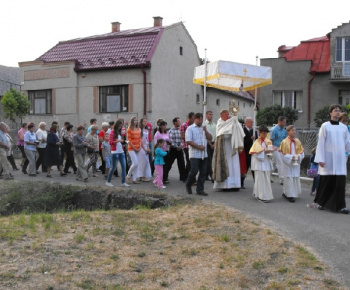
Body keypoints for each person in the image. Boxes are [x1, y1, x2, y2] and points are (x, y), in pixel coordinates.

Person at [314, 104, 350, 214]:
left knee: (339, 183)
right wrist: (320, 158)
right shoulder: (325, 126)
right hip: (328, 158)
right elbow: (320, 143)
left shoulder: (343, 127)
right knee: (327, 181)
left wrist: (347, 153)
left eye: (339, 110)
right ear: (330, 113)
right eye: (335, 110)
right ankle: (322, 203)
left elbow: (347, 142)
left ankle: (340, 206)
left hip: (339, 158)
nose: (337, 112)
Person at [213, 109, 245, 191]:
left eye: (228, 114)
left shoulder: (231, 122)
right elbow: (223, 134)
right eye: (226, 115)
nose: (228, 116)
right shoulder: (220, 123)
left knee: (234, 165)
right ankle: (225, 185)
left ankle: (235, 184)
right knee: (227, 165)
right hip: (224, 148)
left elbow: (238, 129)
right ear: (221, 115)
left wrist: (235, 124)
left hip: (233, 146)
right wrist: (232, 127)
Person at [185, 113, 212, 196]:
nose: (200, 121)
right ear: (194, 119)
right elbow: (188, 141)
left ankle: (200, 189)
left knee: (203, 172)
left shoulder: (204, 128)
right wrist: (198, 147)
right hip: (194, 154)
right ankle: (188, 184)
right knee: (194, 171)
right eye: (199, 119)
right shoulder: (190, 128)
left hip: (204, 154)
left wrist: (206, 131)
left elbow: (210, 138)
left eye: (201, 119)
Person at [249, 125, 275, 203]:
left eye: (266, 133)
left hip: (266, 163)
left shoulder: (268, 141)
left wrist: (271, 151)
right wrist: (264, 151)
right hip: (259, 164)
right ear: (259, 132)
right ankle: (261, 196)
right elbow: (255, 154)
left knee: (266, 180)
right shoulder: (256, 142)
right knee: (260, 180)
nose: (265, 135)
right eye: (263, 133)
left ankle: (265, 195)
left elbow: (269, 152)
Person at [280, 125, 305, 203]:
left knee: (294, 178)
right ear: (288, 132)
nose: (294, 132)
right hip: (288, 164)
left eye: (295, 130)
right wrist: (291, 158)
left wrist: (299, 156)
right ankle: (289, 195)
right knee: (288, 178)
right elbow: (282, 154)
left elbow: (302, 152)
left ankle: (292, 193)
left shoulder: (298, 141)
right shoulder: (284, 142)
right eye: (292, 130)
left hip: (296, 163)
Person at [106, 120, 130, 187]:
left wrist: (124, 142)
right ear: (116, 125)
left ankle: (123, 182)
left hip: (121, 151)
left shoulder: (119, 132)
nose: (120, 127)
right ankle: (108, 181)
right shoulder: (112, 132)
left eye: (121, 126)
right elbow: (110, 142)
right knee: (113, 168)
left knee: (124, 167)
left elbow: (120, 142)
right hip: (115, 152)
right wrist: (118, 141)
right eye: (119, 126)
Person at [164, 117, 186, 182]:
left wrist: (181, 146)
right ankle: (165, 177)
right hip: (173, 149)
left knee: (182, 163)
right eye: (178, 121)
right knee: (169, 163)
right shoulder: (171, 131)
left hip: (180, 149)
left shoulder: (180, 130)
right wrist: (177, 146)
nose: (180, 122)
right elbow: (170, 140)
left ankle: (183, 177)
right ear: (175, 123)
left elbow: (182, 139)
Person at [270, 116, 287, 185]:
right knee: (279, 162)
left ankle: (268, 176)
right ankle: (282, 179)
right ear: (279, 122)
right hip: (275, 147)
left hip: (281, 148)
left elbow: (285, 139)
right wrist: (271, 149)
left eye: (285, 122)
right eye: (284, 122)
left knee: (273, 163)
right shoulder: (274, 129)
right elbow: (271, 140)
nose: (285, 123)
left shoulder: (284, 130)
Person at [126, 117, 141, 184]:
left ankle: (134, 179)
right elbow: (129, 140)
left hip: (138, 147)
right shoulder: (129, 129)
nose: (136, 121)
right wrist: (134, 148)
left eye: (137, 120)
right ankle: (128, 175)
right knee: (135, 163)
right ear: (132, 121)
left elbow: (139, 139)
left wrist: (139, 146)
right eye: (135, 120)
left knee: (136, 164)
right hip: (131, 148)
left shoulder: (138, 129)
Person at [180, 112, 195, 181]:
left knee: (190, 163)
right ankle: (190, 178)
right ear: (189, 118)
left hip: (193, 146)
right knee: (189, 162)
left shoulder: (194, 126)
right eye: (192, 119)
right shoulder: (184, 125)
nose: (193, 120)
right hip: (186, 146)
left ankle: (184, 176)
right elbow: (182, 136)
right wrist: (190, 139)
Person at [243, 117, 257, 185]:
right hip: (246, 152)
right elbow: (243, 141)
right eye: (250, 122)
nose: (252, 123)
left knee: (253, 168)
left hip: (253, 152)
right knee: (245, 167)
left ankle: (256, 182)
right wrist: (250, 139)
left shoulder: (254, 131)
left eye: (252, 122)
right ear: (246, 123)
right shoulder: (243, 130)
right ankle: (241, 182)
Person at [205, 111, 216, 182]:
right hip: (207, 143)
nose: (211, 116)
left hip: (213, 143)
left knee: (211, 160)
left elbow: (216, 135)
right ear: (206, 115)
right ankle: (211, 175)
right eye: (209, 114)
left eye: (212, 114)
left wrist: (214, 143)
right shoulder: (204, 124)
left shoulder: (215, 125)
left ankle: (206, 175)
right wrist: (209, 143)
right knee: (208, 160)